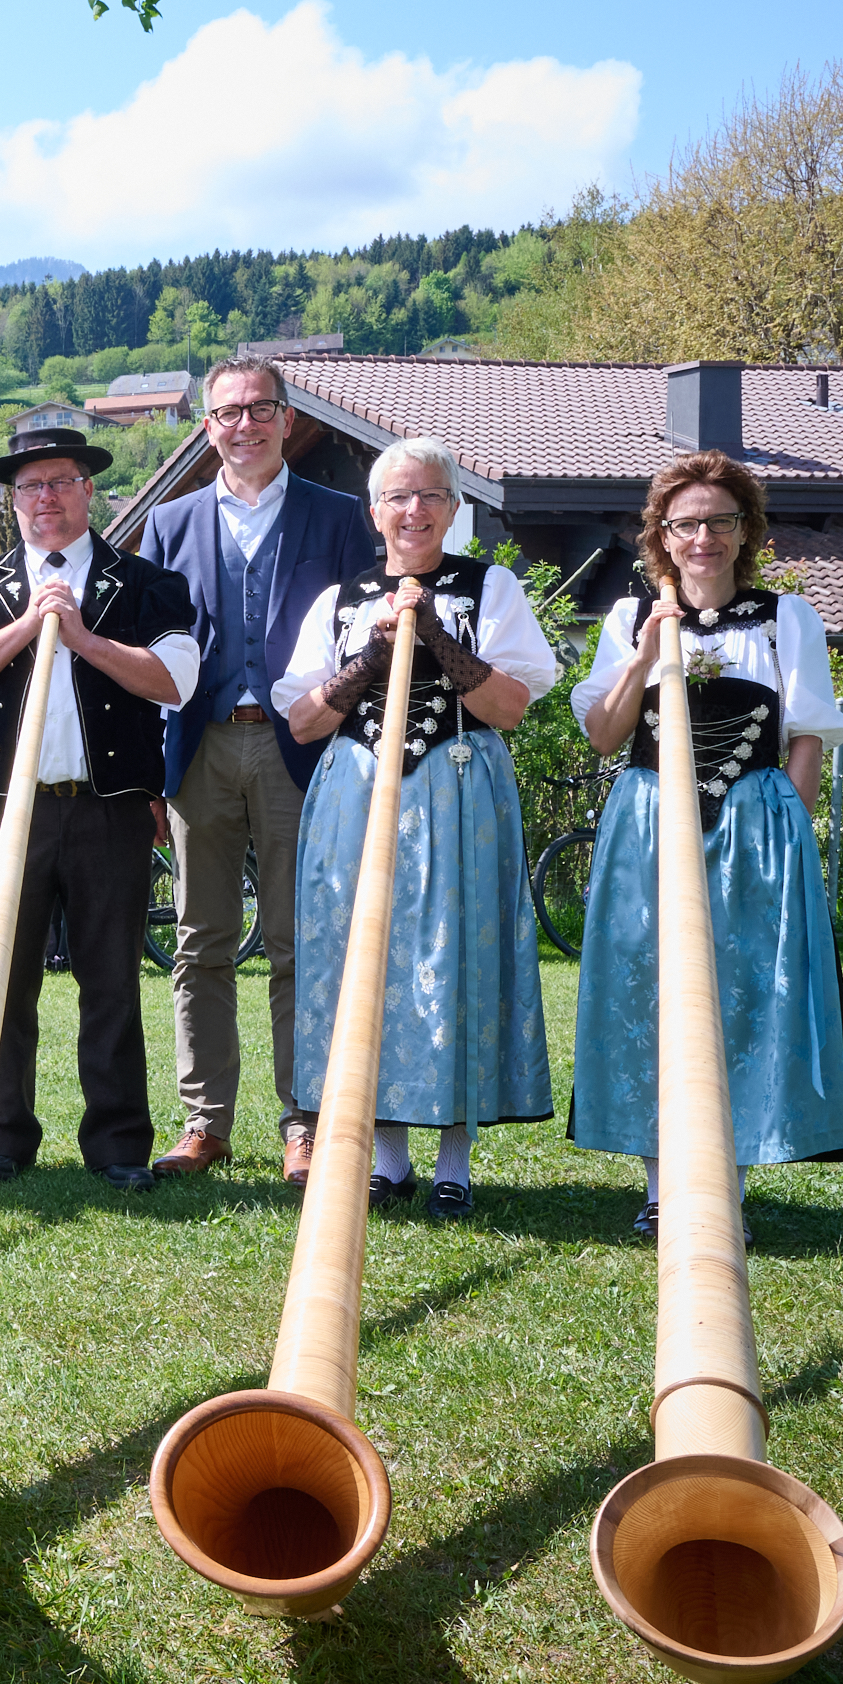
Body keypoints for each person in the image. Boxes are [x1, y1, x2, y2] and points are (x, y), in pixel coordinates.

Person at [567, 450, 843, 1235]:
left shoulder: (783, 618)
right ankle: (662, 1184)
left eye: (719, 521)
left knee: (741, 996)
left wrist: (789, 830)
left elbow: (806, 735)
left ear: (744, 531)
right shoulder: (630, 618)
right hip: (649, 819)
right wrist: (643, 651)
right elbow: (603, 734)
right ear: (662, 533)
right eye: (687, 522)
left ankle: (722, 1185)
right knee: (647, 991)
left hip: (754, 824)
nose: (703, 536)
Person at [276, 436, 561, 1218]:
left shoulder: (486, 587)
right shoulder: (340, 598)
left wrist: (434, 634)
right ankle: (388, 1155)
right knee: (367, 958)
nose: (414, 510)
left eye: (431, 495)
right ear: (374, 512)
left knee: (455, 953)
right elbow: (301, 721)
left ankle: (454, 1158)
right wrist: (367, 658)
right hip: (356, 793)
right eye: (398, 497)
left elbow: (510, 707)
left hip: (456, 790)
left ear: (453, 508)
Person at [0, 410, 202, 1189]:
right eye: (30, 485)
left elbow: (178, 678)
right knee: (2, 978)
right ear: (11, 499)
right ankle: (1, 1136)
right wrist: (28, 625)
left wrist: (82, 638)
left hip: (110, 806)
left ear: (89, 490)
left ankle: (117, 1144)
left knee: (110, 974)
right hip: (3, 808)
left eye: (61, 482)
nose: (46, 497)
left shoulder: (146, 582)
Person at [137, 356, 371, 1182]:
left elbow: (359, 640)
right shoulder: (169, 524)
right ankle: (205, 1121)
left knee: (297, 941)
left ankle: (303, 1119)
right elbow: (152, 656)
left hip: (298, 748)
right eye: (228, 411)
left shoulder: (341, 517)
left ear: (285, 417)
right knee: (200, 941)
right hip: (198, 749)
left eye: (260, 408)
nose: (245, 423)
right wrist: (153, 775)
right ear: (208, 427)